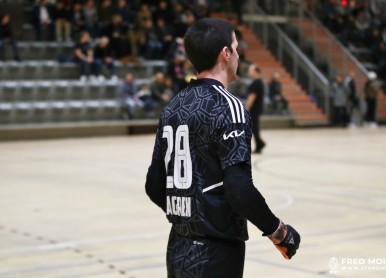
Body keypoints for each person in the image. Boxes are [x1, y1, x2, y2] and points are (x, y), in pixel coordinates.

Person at [145, 18, 300, 278]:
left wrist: (188, 213)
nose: (239, 54)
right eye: (236, 47)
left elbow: (154, 185)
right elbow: (240, 190)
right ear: (225, 54)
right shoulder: (230, 107)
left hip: (178, 249)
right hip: (215, 252)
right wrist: (279, 232)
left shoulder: (173, 106)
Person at [246, 64, 266, 154]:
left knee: (254, 128)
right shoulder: (259, 82)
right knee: (254, 128)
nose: (249, 72)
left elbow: (252, 97)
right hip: (257, 108)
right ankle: (260, 143)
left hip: (254, 109)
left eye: (250, 70)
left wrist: (247, 108)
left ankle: (259, 144)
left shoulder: (256, 83)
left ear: (255, 71)